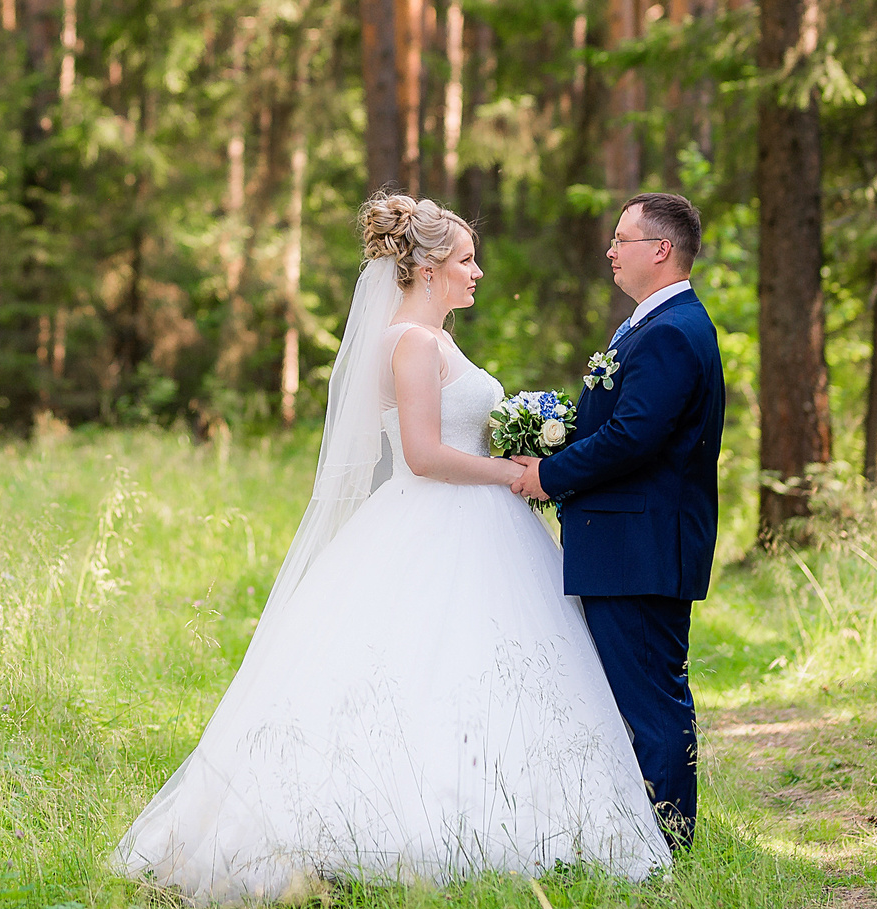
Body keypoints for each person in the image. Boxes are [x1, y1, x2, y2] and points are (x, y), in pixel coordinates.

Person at [113, 195, 670, 901]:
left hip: (478, 521)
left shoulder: (432, 336)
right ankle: (396, 827)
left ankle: (510, 811)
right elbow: (424, 453)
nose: (477, 270)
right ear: (430, 268)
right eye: (466, 259)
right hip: (439, 515)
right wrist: (513, 471)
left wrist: (525, 444)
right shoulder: (410, 340)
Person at [508, 191, 726, 849]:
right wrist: (552, 441)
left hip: (642, 546)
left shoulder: (672, 331)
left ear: (660, 249)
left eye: (621, 238)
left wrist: (546, 475)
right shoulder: (648, 326)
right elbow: (618, 424)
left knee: (650, 702)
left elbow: (634, 436)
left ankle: (669, 841)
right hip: (628, 543)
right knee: (629, 698)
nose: (610, 249)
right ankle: (639, 835)